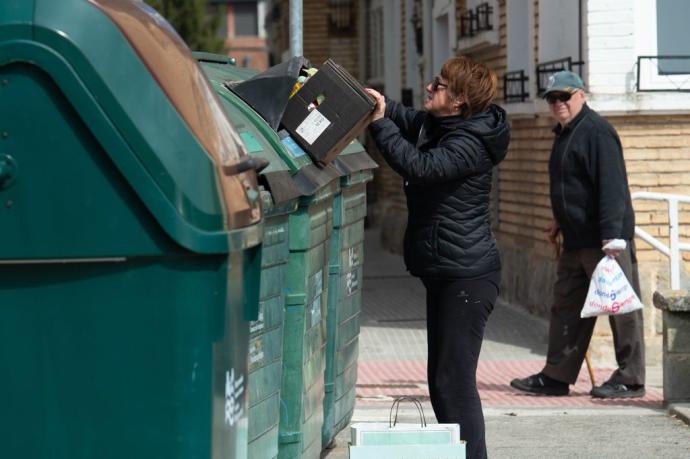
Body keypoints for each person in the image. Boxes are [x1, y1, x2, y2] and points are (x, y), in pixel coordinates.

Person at [366, 56, 509, 459]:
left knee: (454, 382)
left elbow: (420, 166)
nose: (429, 88)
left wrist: (379, 124)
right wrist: (379, 103)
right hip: (446, 272)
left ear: (460, 101)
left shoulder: (469, 143)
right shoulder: (443, 124)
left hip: (467, 277)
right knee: (440, 381)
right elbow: (410, 119)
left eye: (439, 85)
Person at [510, 70, 646, 399]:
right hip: (574, 239)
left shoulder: (597, 132)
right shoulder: (565, 132)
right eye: (552, 98)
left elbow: (612, 187)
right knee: (566, 306)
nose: (557, 103)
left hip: (604, 240)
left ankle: (630, 378)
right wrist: (559, 221)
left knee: (620, 309)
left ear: (581, 95)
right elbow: (570, 188)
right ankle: (556, 375)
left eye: (564, 97)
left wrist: (613, 235)